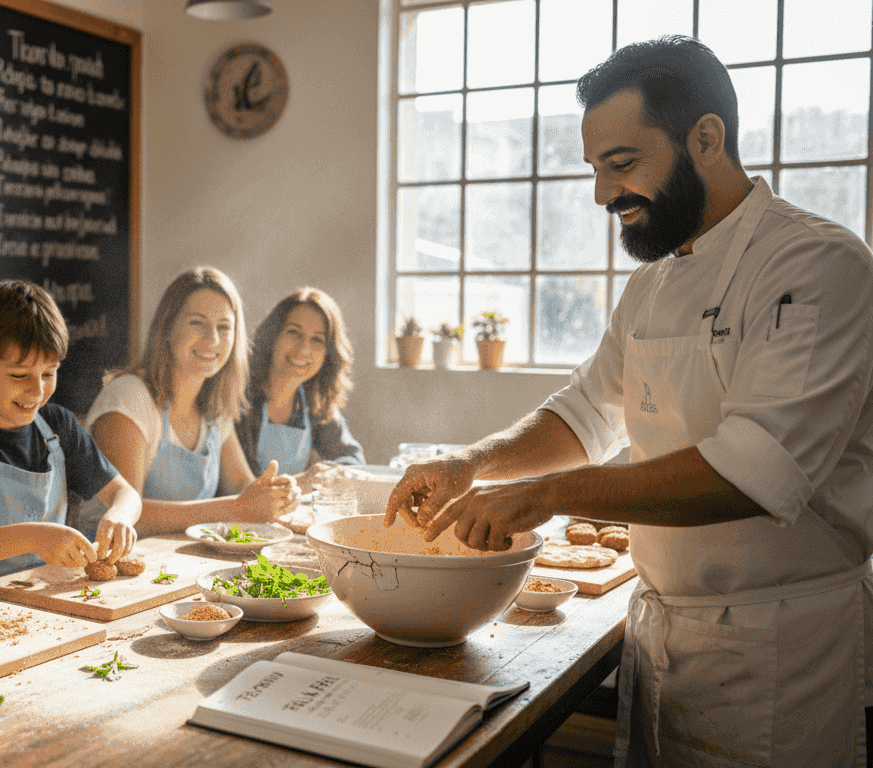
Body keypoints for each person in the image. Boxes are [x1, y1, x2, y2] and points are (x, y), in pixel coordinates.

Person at [386, 36, 873, 768]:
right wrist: (473, 462)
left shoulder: (815, 264)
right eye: (594, 169)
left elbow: (754, 471)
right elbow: (587, 411)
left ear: (706, 138)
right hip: (662, 638)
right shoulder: (652, 282)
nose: (601, 195)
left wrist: (545, 494)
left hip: (782, 658)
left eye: (622, 164)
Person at [0, 280, 141, 587]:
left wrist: (120, 515)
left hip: (48, 597)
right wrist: (33, 537)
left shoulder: (58, 426)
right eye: (19, 375)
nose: (38, 390)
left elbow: (125, 494)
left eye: (49, 372)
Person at [85, 267, 298, 533]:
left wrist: (270, 494)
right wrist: (237, 508)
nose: (213, 339)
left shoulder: (214, 407)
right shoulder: (130, 397)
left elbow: (241, 484)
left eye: (224, 327)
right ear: (167, 325)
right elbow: (125, 514)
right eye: (197, 323)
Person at [236, 287, 364, 490]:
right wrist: (303, 483)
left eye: (317, 340)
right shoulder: (238, 398)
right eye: (294, 333)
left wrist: (325, 474)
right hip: (236, 521)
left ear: (328, 354)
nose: (304, 349)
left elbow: (351, 459)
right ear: (273, 336)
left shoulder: (314, 404)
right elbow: (243, 490)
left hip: (284, 514)